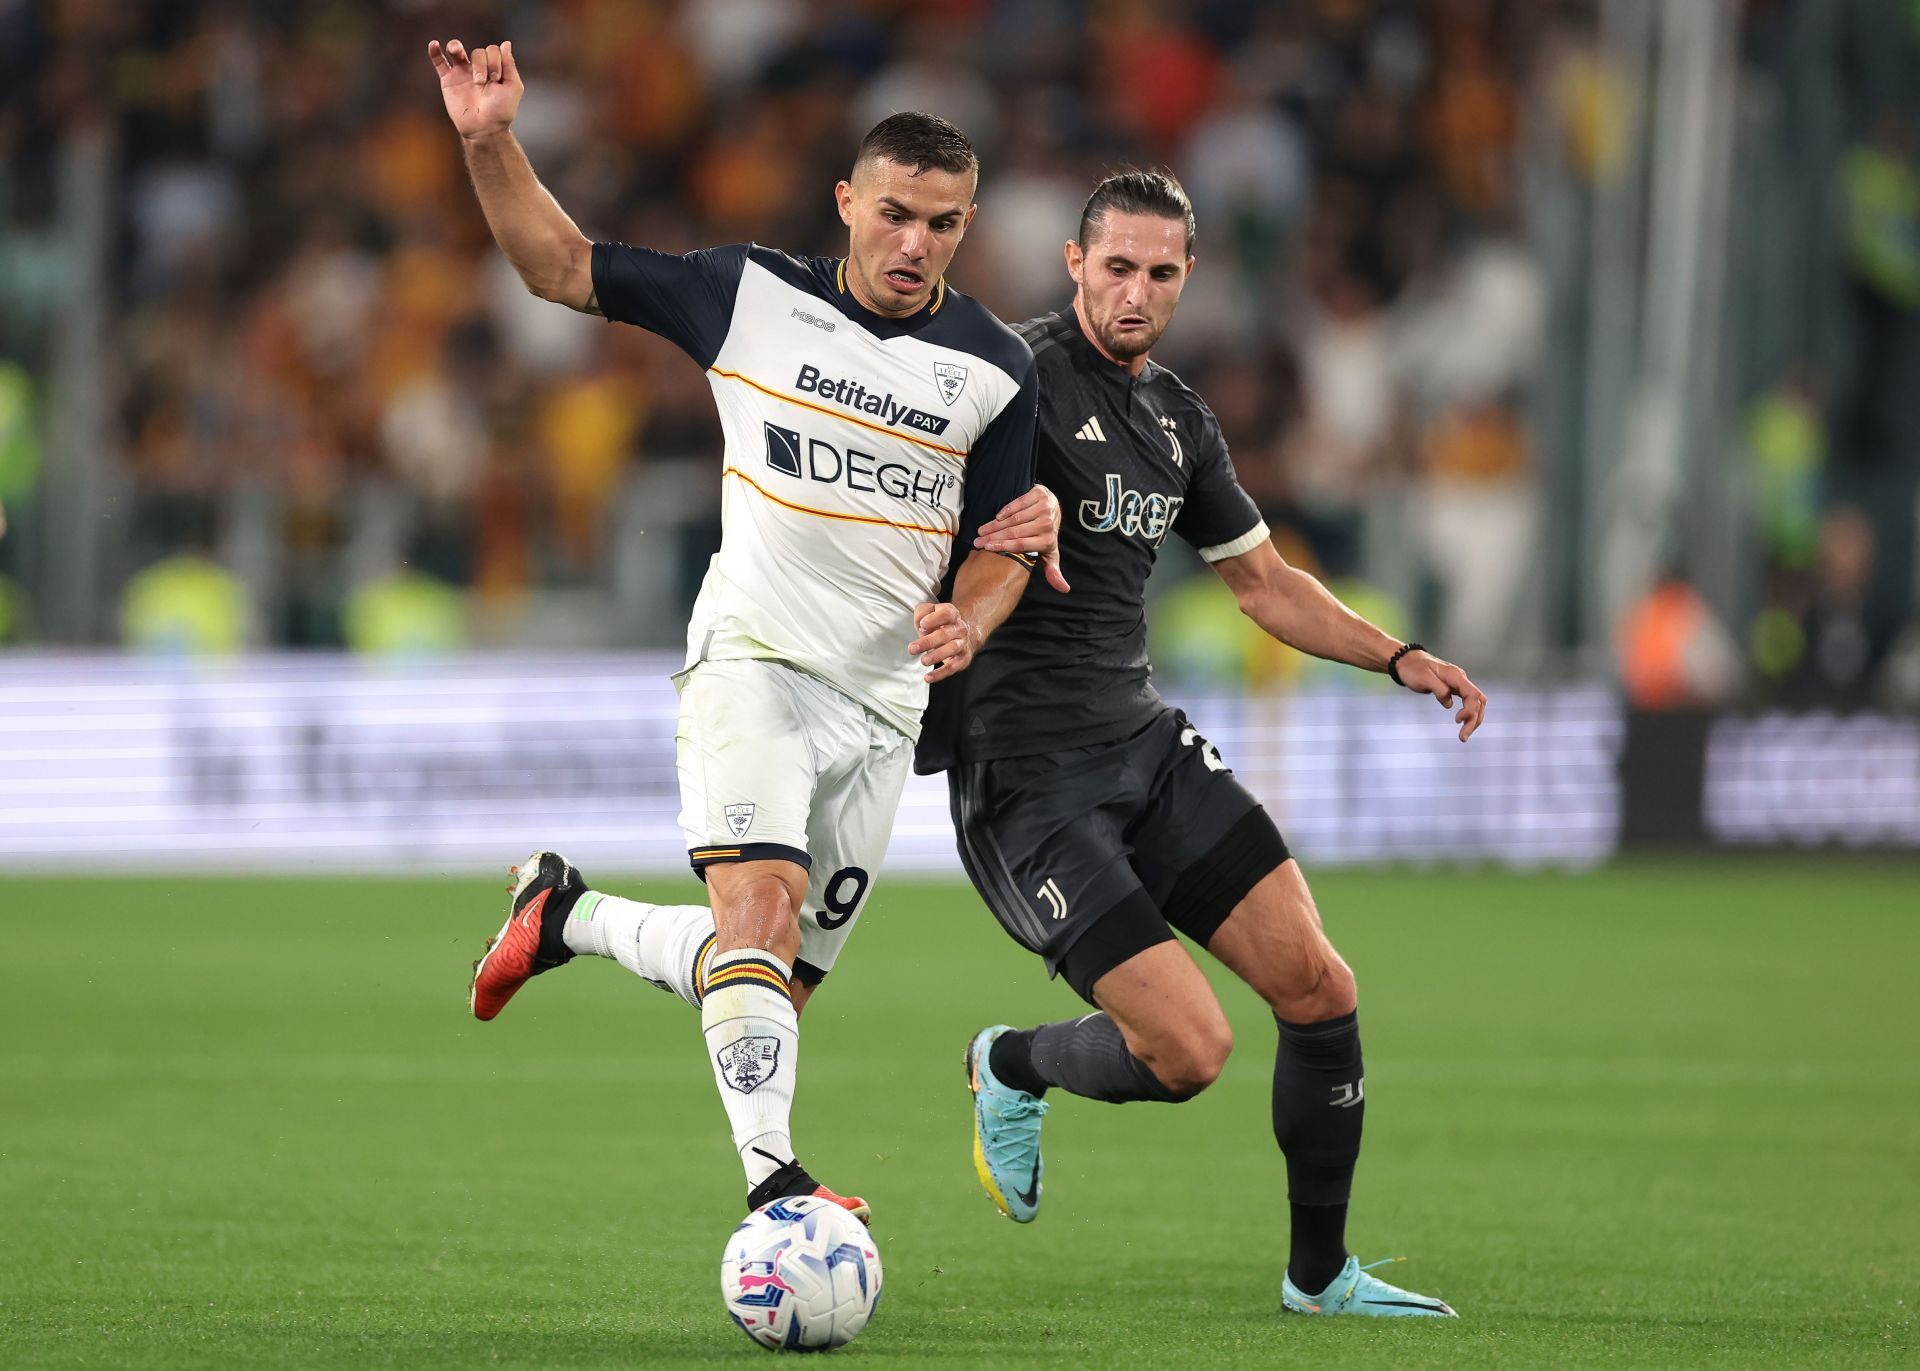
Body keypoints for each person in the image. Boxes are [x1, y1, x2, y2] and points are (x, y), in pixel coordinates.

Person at [429, 37, 1064, 1224]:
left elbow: (1009, 538)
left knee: (762, 982)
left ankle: (567, 913)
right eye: (894, 215)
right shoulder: (752, 295)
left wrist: (972, 621)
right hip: (756, 664)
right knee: (758, 923)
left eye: (941, 223)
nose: (914, 243)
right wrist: (490, 141)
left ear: (966, 225)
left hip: (885, 706)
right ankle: (776, 1188)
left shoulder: (992, 367)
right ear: (847, 204)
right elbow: (560, 267)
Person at [922, 171, 1487, 1318]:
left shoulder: (1178, 418)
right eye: (1115, 267)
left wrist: (1398, 656)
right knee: (1189, 1054)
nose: (1136, 292)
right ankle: (1012, 1064)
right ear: (1075, 263)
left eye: (1160, 272)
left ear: (1189, 277)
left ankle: (1319, 1276)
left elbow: (1265, 586)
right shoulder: (1005, 379)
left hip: (1144, 745)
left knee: (1321, 988)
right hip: (1028, 779)